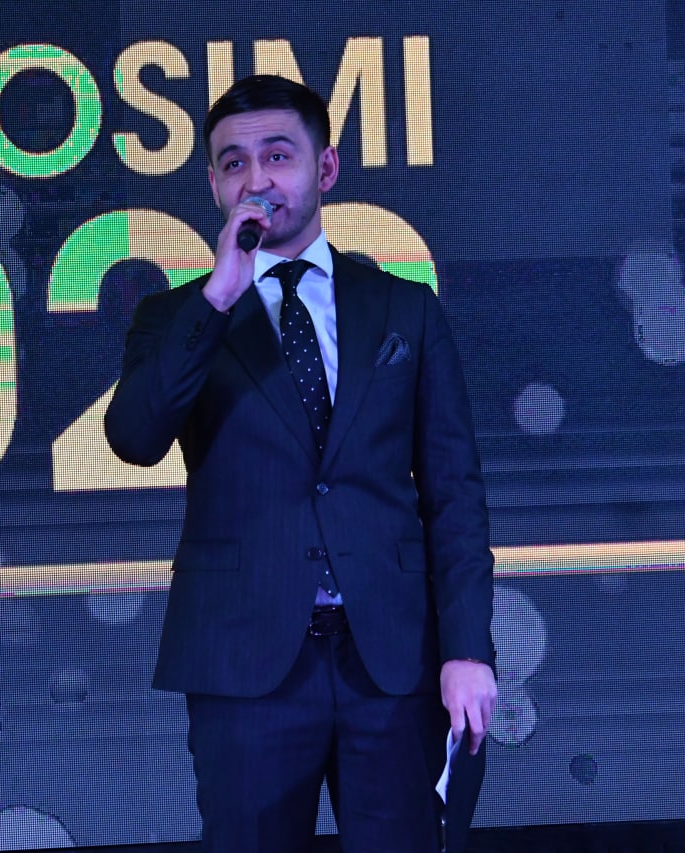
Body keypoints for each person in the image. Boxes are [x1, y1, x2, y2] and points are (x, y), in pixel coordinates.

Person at [104, 75, 497, 852]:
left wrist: (466, 649)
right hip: (244, 660)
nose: (257, 179)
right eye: (234, 163)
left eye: (278, 156)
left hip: (391, 658)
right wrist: (218, 296)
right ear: (214, 183)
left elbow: (453, 493)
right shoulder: (176, 316)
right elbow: (135, 436)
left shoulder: (404, 308)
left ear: (326, 168)